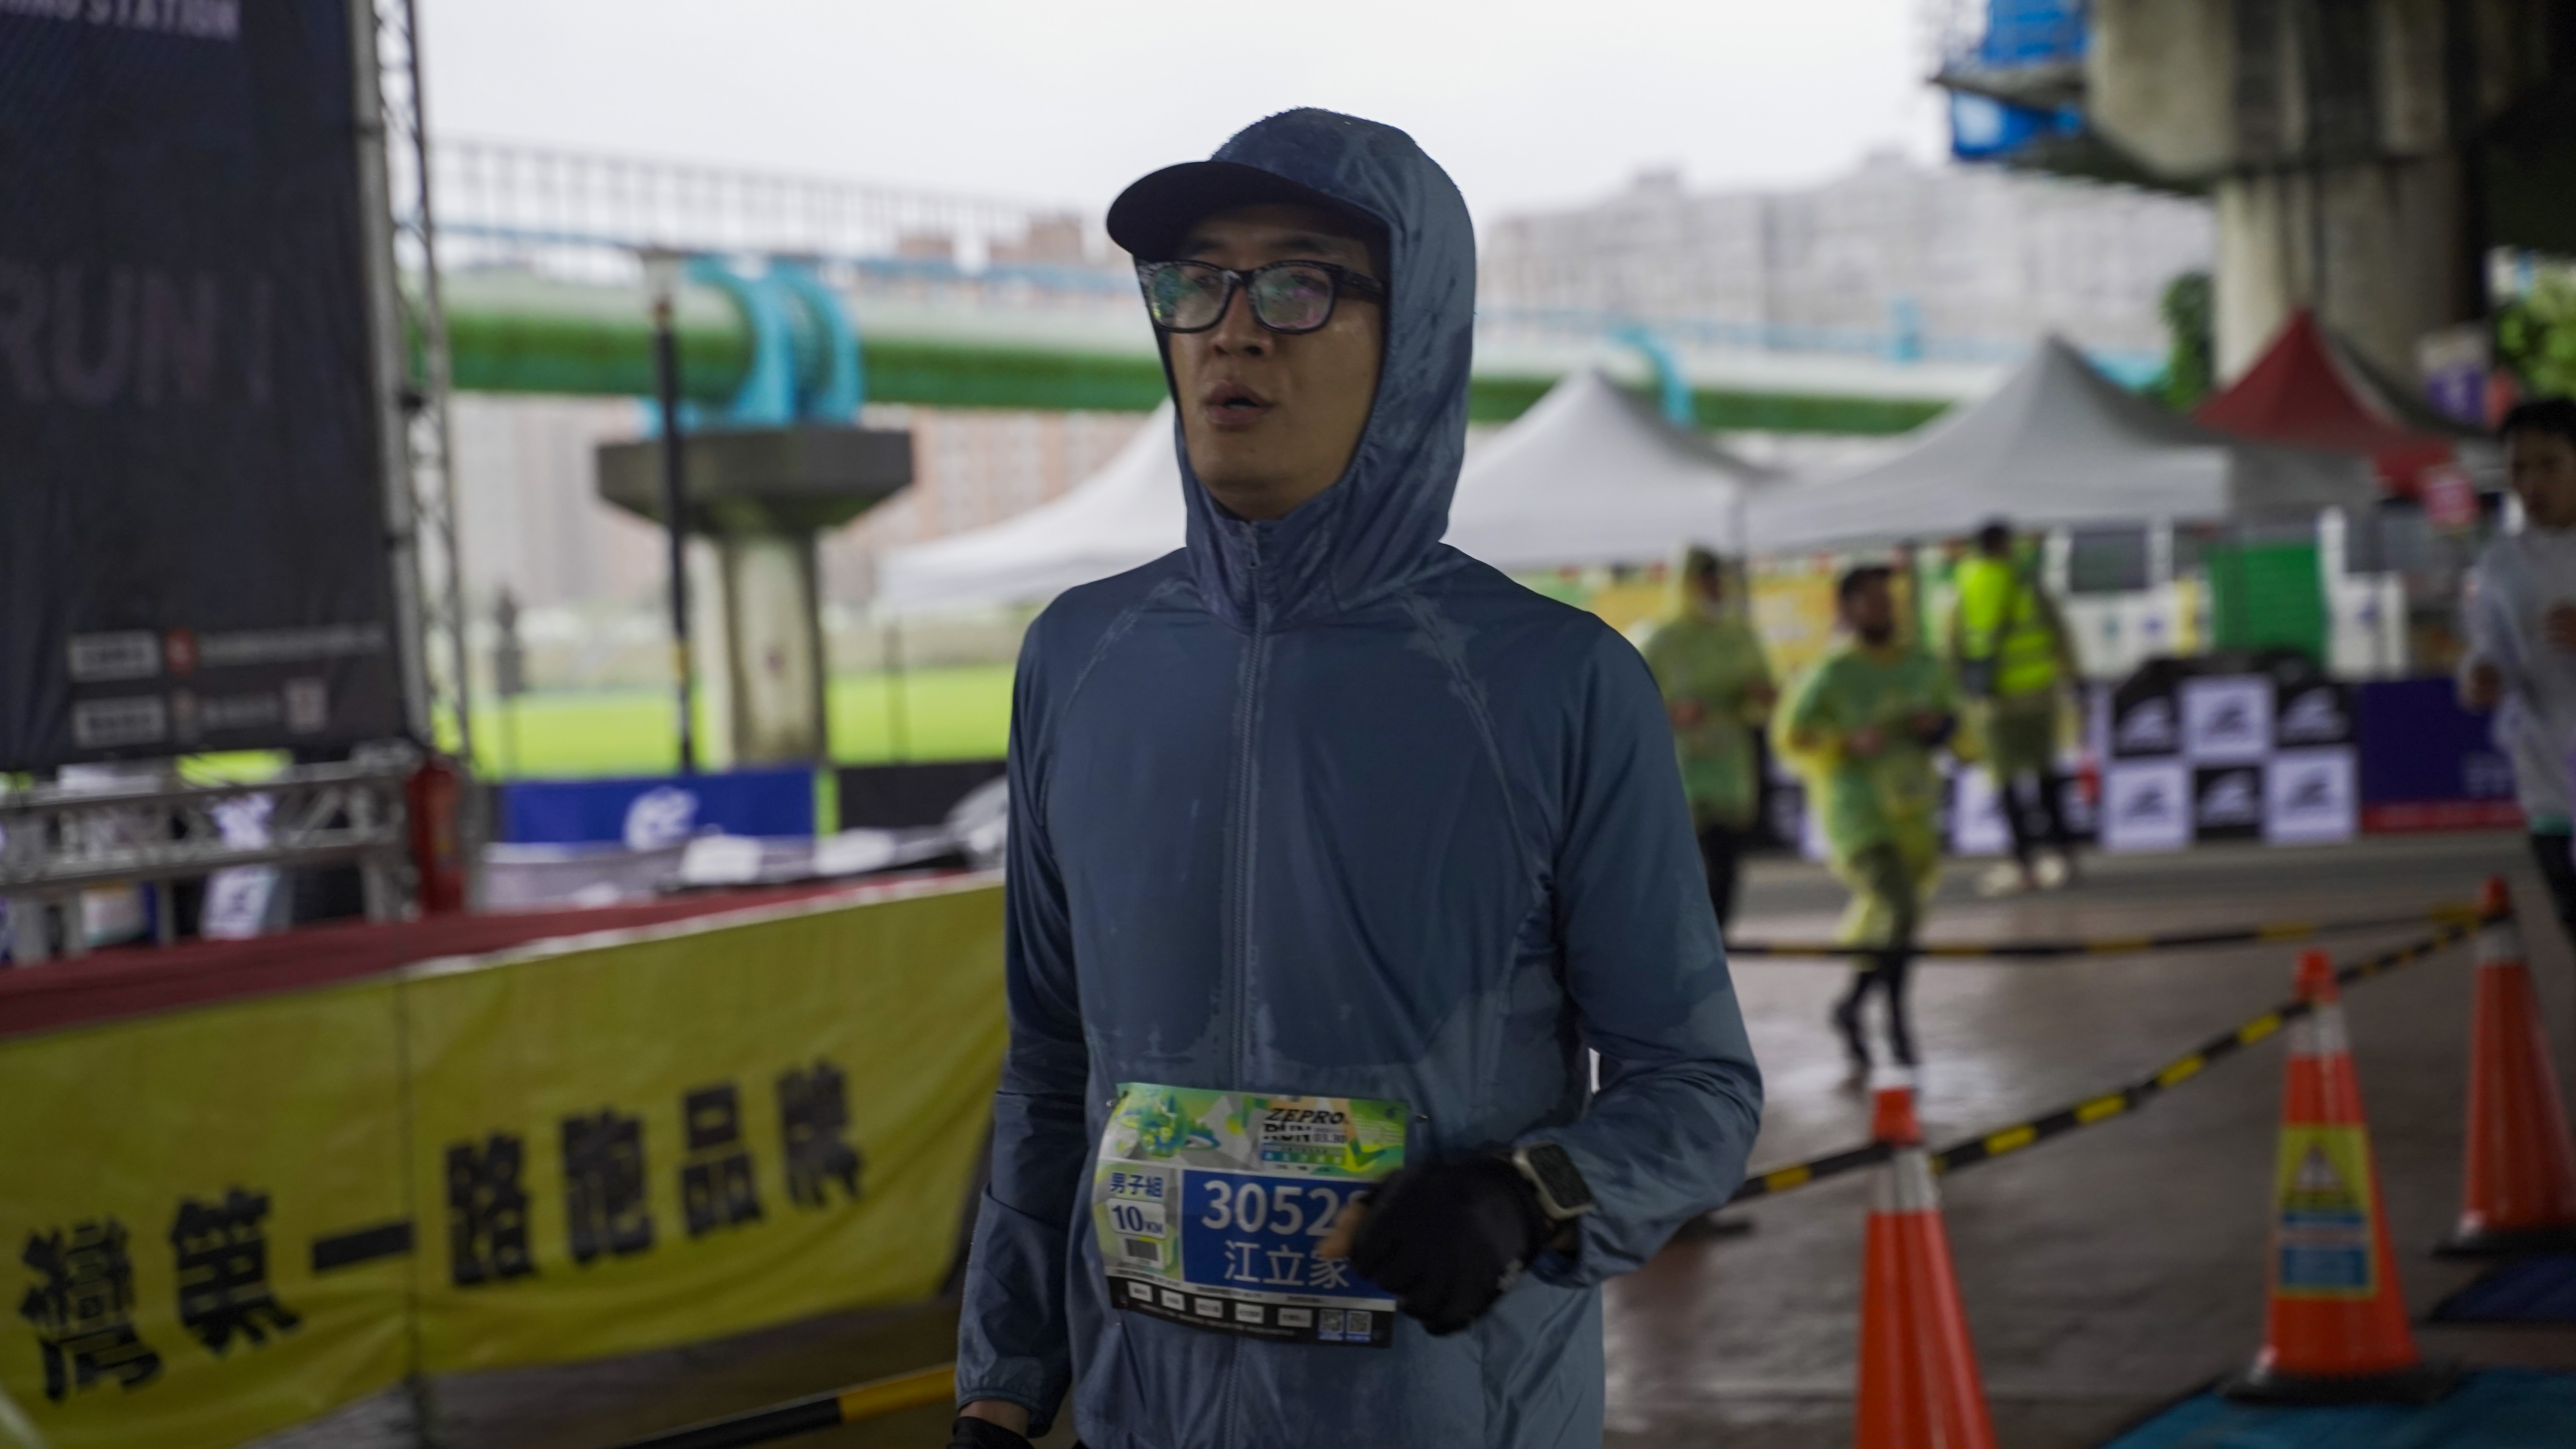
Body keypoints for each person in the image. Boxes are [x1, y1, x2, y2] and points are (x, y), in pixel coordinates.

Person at [950, 109, 1762, 1449]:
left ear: (1418, 333)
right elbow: (1050, 1071)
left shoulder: (1552, 682)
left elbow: (1697, 1088)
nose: (1232, 331)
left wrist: (1528, 1197)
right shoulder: (1078, 663)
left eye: (1297, 283)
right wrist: (999, 1383)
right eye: (1196, 283)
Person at [1777, 565, 1956, 1072]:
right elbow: (1793, 737)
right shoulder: (1832, 674)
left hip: (1913, 812)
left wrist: (1934, 726)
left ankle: (1853, 1007)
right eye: (1873, 600)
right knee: (1899, 907)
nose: (1885, 608)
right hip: (1859, 815)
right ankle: (1895, 1022)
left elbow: (1954, 723)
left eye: (1888, 598)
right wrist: (1845, 743)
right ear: (1849, 609)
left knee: (1899, 920)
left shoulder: (1923, 664)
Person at [2460, 397, 2576, 952]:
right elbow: (2488, 648)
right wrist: (2481, 675)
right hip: (2548, 786)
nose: (2532, 484)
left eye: (2549, 466)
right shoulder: (2500, 563)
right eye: (2519, 469)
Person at [1640, 546, 1777, 935]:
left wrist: (1760, 696)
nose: (1715, 588)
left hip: (1730, 773)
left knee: (1726, 868)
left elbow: (1769, 697)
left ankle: (1709, 944)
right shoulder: (1660, 640)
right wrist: (1673, 712)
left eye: (1719, 580)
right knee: (1690, 864)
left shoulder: (1739, 637)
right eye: (1706, 580)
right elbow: (1625, 706)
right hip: (1679, 773)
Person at [1949, 520, 2082, 894]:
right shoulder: (2028, 583)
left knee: (2006, 785)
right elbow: (2058, 631)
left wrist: (1960, 695)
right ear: (2006, 545)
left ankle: (2022, 862)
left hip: (1992, 707)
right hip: (2038, 698)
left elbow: (1953, 646)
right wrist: (2073, 675)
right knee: (2046, 778)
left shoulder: (1966, 587)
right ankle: (2060, 854)